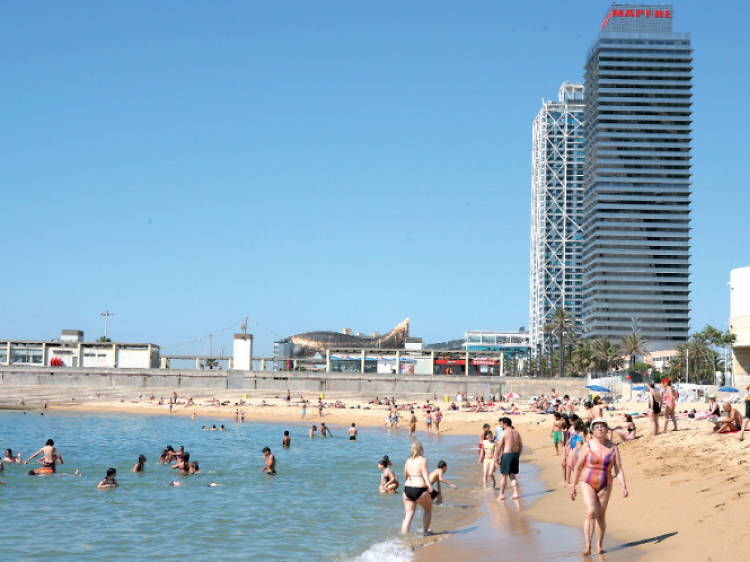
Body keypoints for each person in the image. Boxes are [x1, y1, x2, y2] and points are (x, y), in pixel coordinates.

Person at [570, 418, 628, 556]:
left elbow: (618, 469)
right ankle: (588, 546)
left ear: (607, 429)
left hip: (605, 484)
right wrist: (573, 486)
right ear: (592, 430)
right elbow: (578, 466)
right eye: (597, 427)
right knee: (590, 512)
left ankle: (599, 545)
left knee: (601, 516)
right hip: (587, 481)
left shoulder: (613, 447)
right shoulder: (588, 445)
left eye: (603, 426)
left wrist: (623, 486)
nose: (600, 429)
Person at [401, 441, 433, 535]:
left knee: (408, 514)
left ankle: (404, 536)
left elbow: (405, 474)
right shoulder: (423, 460)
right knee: (428, 509)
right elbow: (424, 473)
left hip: (407, 489)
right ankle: (425, 531)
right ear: (421, 449)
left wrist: (408, 482)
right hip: (419, 488)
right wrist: (429, 484)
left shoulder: (408, 461)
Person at [494, 417, 522, 501]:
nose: (500, 426)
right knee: (512, 475)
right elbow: (520, 445)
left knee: (503, 476)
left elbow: (499, 445)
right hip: (515, 455)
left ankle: (501, 494)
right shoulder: (516, 432)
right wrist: (518, 455)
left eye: (501, 424)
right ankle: (515, 493)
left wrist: (496, 456)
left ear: (505, 424)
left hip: (507, 455)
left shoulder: (504, 432)